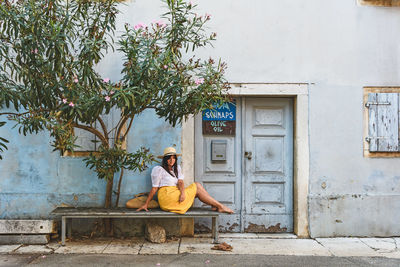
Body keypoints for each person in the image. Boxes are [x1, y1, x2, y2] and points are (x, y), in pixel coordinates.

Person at [137, 147, 234, 214]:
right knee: (197, 186)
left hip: (175, 194)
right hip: (167, 197)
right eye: (169, 158)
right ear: (165, 159)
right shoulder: (159, 169)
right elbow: (154, 188)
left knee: (197, 188)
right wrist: (146, 204)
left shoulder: (176, 169)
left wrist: (182, 192)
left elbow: (180, 182)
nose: (172, 160)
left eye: (174, 158)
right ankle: (219, 206)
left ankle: (215, 205)